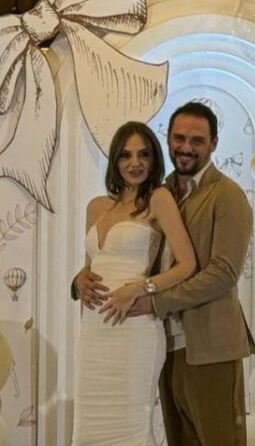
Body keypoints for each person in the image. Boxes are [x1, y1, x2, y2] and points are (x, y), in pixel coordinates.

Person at [76, 102, 255, 445]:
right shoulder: (161, 192)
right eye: (179, 138)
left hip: (209, 344)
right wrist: (79, 280)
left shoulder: (227, 196)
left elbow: (222, 274)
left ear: (214, 143)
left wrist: (153, 301)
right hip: (164, 342)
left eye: (197, 140)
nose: (186, 147)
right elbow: (121, 256)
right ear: (168, 140)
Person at [71, 121, 196, 445]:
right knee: (88, 426)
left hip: (134, 328)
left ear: (154, 159)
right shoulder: (96, 207)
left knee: (130, 427)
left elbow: (187, 264)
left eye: (143, 154)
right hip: (94, 332)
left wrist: (141, 288)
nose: (135, 163)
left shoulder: (159, 199)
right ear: (115, 160)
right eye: (126, 155)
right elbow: (91, 265)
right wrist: (79, 279)